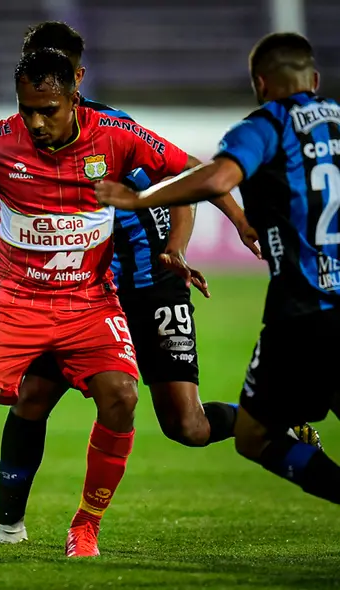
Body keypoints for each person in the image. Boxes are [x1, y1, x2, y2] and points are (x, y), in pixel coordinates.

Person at [0, 21, 322, 547]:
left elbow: (185, 181)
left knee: (188, 427)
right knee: (33, 396)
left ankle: (275, 420)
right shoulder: (21, 138)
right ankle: (12, 527)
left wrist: (185, 244)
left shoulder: (113, 132)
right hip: (79, 297)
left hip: (151, 286)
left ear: (75, 77)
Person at [0, 49, 198, 557]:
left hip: (89, 301)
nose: (37, 122)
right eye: (27, 110)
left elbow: (192, 173)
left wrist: (194, 240)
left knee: (122, 398)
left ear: (75, 96)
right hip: (15, 299)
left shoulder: (116, 136)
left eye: (48, 110)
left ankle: (85, 526)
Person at [96, 32, 340, 507]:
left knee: (254, 437)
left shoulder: (266, 125)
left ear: (260, 84)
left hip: (304, 314)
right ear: (314, 80)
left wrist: (139, 198)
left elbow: (217, 176)